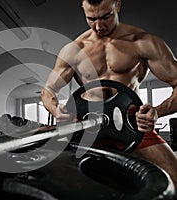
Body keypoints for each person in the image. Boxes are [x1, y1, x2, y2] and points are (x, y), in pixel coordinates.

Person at [41, 0, 177, 189]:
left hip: (132, 125)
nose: (99, 26)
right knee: (62, 184)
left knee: (174, 178)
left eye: (106, 16)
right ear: (83, 10)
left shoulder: (144, 42)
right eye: (91, 18)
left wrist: (156, 112)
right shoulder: (74, 50)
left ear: (117, 5)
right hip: (87, 126)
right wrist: (56, 111)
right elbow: (47, 91)